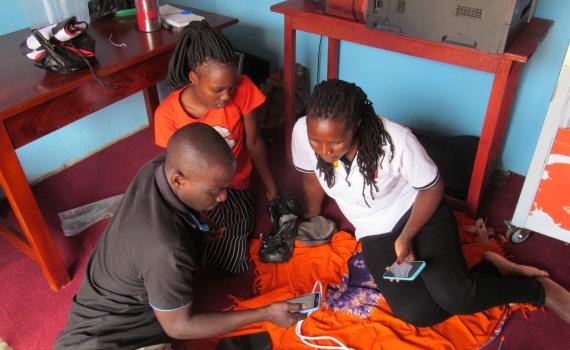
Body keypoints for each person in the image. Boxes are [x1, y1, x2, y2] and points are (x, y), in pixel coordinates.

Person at [291, 79, 570, 327]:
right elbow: (311, 179)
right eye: (317, 142)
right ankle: (493, 269)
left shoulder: (395, 140)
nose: (325, 152)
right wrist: (311, 216)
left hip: (418, 211)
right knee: (417, 313)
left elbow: (432, 188)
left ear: (358, 125)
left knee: (457, 296)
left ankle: (538, 290)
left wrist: (407, 236)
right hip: (373, 230)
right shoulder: (303, 134)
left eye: (336, 143)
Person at [54, 123, 305, 350]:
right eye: (214, 191)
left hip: (100, 313)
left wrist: (198, 222)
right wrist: (266, 313)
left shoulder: (157, 168)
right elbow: (179, 327)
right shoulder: (167, 249)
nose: (223, 198)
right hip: (104, 341)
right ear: (179, 180)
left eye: (224, 188)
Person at [154, 20, 276, 274]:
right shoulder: (167, 115)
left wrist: (272, 189)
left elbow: (254, 141)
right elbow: (175, 173)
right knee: (169, 238)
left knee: (228, 252)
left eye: (230, 87)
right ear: (194, 77)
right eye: (218, 89)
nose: (226, 96)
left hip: (234, 184)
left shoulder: (243, 89)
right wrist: (196, 215)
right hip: (197, 188)